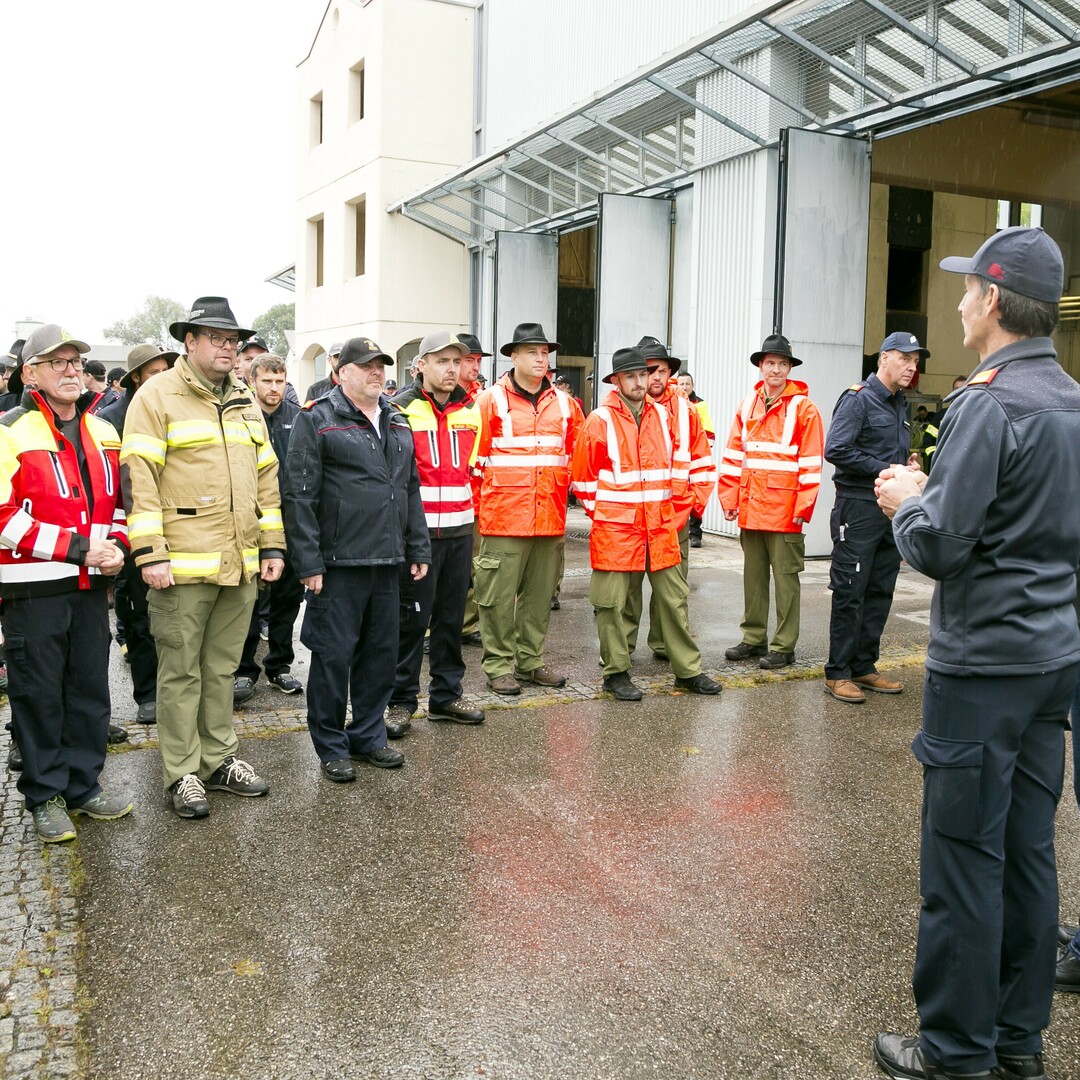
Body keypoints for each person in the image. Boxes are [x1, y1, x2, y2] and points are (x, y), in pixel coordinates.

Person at [873, 227, 1078, 1080]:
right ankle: (1019, 1040)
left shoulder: (987, 403)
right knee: (1028, 853)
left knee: (963, 857)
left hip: (985, 666)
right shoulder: (1070, 400)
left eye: (966, 290)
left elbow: (942, 547)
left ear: (992, 300)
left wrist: (907, 500)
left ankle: (957, 1050)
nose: (958, 304)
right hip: (1051, 659)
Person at [122, 296, 284, 819]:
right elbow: (139, 480)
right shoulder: (156, 395)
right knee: (180, 673)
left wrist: (272, 544)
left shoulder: (243, 398)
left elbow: (267, 478)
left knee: (220, 670)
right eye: (216, 338)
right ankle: (182, 772)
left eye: (233, 340)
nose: (227, 347)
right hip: (179, 567)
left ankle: (218, 760)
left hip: (239, 563)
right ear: (188, 342)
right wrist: (150, 553)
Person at [0, 324, 133, 842]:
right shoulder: (9, 431)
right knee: (38, 696)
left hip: (90, 588)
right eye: (57, 362)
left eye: (76, 361)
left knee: (89, 690)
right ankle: (45, 794)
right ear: (31, 373)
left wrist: (117, 546)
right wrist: (81, 550)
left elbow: (120, 505)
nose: (71, 370)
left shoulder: (103, 431)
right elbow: (4, 517)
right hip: (33, 591)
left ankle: (83, 785)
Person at [284, 337, 430, 783]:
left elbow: (409, 488)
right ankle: (331, 746)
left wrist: (418, 546)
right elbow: (299, 495)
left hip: (387, 561)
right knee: (333, 658)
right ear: (341, 372)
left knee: (380, 656)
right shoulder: (317, 418)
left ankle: (367, 736)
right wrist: (308, 562)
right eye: (366, 365)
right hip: (339, 565)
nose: (376, 372)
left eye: (380, 365)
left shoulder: (396, 418)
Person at [572, 347, 721, 700]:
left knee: (674, 598)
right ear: (617, 381)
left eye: (643, 374)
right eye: (632, 376)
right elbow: (583, 480)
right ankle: (616, 673)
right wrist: (609, 515)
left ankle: (687, 671)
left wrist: (678, 510)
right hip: (617, 530)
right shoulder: (600, 420)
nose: (640, 382)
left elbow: (675, 470)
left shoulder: (663, 417)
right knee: (612, 604)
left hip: (660, 526)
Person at [473, 323, 583, 695]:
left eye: (544, 353)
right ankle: (498, 666)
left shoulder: (565, 405)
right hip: (503, 519)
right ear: (514, 356)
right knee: (497, 599)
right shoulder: (490, 401)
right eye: (532, 352)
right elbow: (474, 464)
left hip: (549, 518)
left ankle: (530, 662)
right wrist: (484, 511)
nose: (540, 359)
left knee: (538, 598)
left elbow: (578, 457)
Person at [387, 331, 484, 732]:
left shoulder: (471, 410)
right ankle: (400, 701)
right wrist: (406, 535)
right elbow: (395, 479)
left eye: (456, 361)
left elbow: (474, 471)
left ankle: (446, 696)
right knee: (411, 622)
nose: (451, 369)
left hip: (460, 532)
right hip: (419, 536)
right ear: (421, 365)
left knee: (450, 619)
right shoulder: (399, 409)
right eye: (442, 361)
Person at [822, 331, 924, 704]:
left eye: (915, 361)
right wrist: (886, 468)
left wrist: (907, 465)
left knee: (880, 589)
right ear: (883, 358)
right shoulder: (858, 400)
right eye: (905, 359)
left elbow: (886, 453)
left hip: (888, 510)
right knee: (851, 589)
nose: (911, 367)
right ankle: (838, 672)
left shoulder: (900, 404)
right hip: (858, 507)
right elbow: (836, 449)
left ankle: (864, 666)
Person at [718, 335, 824, 670]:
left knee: (786, 580)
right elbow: (734, 456)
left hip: (785, 512)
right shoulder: (748, 404)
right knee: (753, 578)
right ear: (761, 367)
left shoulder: (804, 408)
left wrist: (803, 508)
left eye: (782, 364)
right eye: (770, 363)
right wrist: (729, 498)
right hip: (752, 508)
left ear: (789, 368)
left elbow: (811, 464)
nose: (775, 369)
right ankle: (753, 638)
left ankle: (783, 645)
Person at [99, 344, 178, 725]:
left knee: (174, 617)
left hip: (173, 527)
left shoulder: (176, 408)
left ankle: (178, 693)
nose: (161, 379)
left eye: (166, 371)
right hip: (128, 528)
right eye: (153, 373)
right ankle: (147, 693)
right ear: (134, 378)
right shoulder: (111, 419)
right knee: (138, 615)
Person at [628, 337, 714, 662]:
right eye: (648, 371)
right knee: (627, 589)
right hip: (634, 518)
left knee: (673, 588)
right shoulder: (624, 409)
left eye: (661, 370)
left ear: (670, 373)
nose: (655, 377)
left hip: (674, 517)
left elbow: (702, 461)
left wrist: (693, 506)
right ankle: (621, 651)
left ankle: (664, 644)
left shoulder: (686, 411)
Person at [233, 355, 305, 701]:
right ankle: (243, 671)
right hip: (251, 522)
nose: (274, 388)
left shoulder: (300, 418)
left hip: (290, 523)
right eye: (267, 381)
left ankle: (279, 666)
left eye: (279, 381)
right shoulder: (240, 416)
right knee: (248, 602)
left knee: (287, 601)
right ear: (252, 381)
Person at [457, 332, 490, 649]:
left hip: (479, 500)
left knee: (475, 568)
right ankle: (429, 628)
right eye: (470, 360)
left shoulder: (481, 400)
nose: (475, 366)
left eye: (478, 360)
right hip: (445, 500)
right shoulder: (446, 398)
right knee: (440, 569)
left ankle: (468, 624)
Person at [676, 371, 715, 547]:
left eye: (687, 384)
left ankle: (695, 534)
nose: (684, 387)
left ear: (693, 385)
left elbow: (709, 433)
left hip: (695, 458)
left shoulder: (700, 405)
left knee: (696, 496)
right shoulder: (673, 403)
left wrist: (701, 452)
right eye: (681, 384)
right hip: (679, 459)